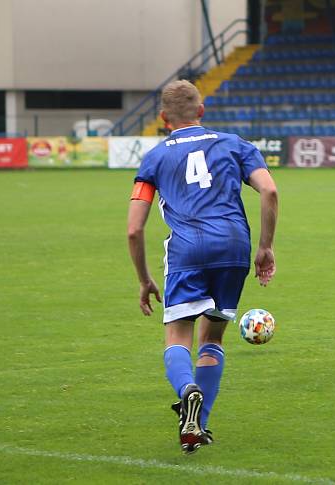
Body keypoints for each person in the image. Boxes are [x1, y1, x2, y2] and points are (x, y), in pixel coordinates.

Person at [127, 80, 278, 454]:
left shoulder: (155, 158)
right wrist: (265, 247)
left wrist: (145, 279)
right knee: (212, 339)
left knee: (178, 337)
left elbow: (134, 229)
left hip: (187, 250)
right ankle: (197, 426)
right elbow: (270, 191)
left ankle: (187, 390)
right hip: (233, 245)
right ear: (202, 110)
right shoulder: (233, 144)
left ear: (163, 118)